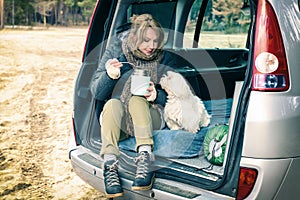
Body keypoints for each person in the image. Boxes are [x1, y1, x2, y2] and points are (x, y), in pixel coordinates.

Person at [90, 13, 175, 198]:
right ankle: (110, 165)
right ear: (134, 37)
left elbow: (179, 97)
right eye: (146, 40)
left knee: (138, 99)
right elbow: (96, 93)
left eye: (155, 41)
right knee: (112, 104)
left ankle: (145, 158)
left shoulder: (165, 58)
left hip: (151, 117)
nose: (151, 46)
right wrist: (110, 76)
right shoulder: (116, 53)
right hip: (123, 123)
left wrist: (157, 96)